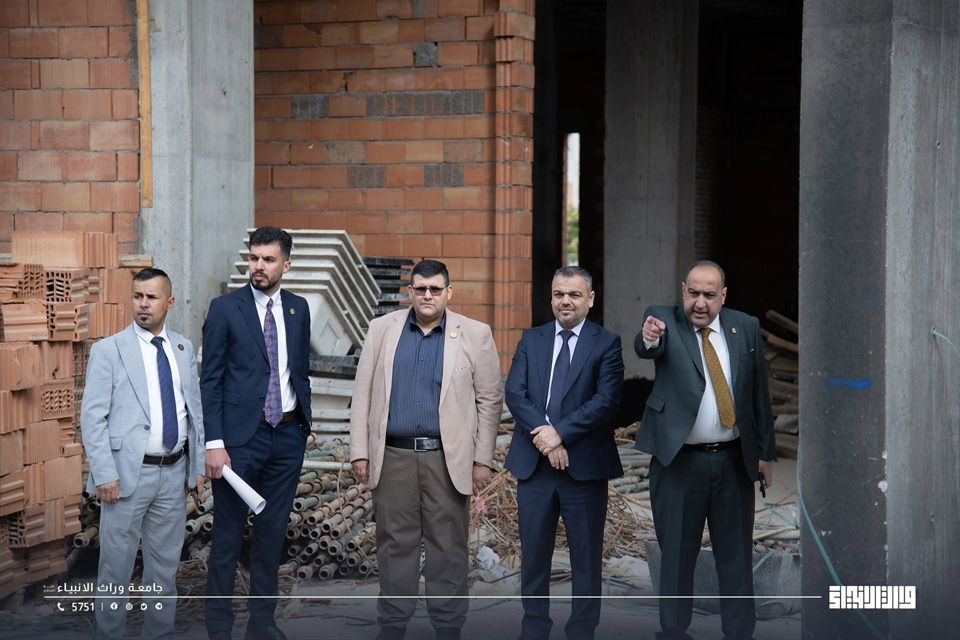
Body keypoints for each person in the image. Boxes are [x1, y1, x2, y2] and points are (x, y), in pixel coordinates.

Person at [350, 259, 503, 640]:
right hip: (393, 457)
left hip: (447, 459)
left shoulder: (475, 334)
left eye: (435, 289)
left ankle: (448, 627)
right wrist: (359, 452)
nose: (428, 295)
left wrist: (482, 459)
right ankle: (393, 626)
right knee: (394, 544)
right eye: (420, 289)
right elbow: (363, 393)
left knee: (448, 546)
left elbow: (490, 400)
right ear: (410, 292)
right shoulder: (382, 330)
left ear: (448, 292)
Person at [635, 260, 776, 640]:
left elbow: (758, 394)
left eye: (709, 295)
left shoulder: (745, 326)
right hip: (680, 464)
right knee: (677, 555)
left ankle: (739, 632)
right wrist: (649, 337)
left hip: (733, 461)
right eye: (693, 293)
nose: (700, 303)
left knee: (736, 554)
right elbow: (647, 346)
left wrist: (765, 453)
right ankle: (674, 631)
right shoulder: (663, 320)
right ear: (683, 290)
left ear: (723, 296)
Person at [201, 226, 312, 640]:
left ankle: (263, 624)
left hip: (287, 437)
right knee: (227, 537)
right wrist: (214, 443)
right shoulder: (225, 308)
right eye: (254, 258)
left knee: (271, 535)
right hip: (238, 441)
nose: (259, 266)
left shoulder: (298, 308)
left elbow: (299, 371)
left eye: (268, 259)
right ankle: (218, 628)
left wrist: (303, 426)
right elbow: (210, 380)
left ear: (287, 264)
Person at [81, 268, 205, 640]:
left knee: (164, 571)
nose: (143, 304)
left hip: (173, 473)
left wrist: (196, 467)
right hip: (125, 476)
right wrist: (104, 473)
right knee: (115, 570)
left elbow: (194, 412)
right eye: (138, 296)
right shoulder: (109, 350)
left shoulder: (182, 349)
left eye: (152, 297)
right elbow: (92, 417)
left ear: (170, 302)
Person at [504, 265, 624, 640]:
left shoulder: (606, 343)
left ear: (590, 299)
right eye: (559, 294)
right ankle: (534, 629)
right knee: (533, 557)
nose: (565, 301)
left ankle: (582, 631)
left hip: (584, 468)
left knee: (585, 559)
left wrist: (559, 434)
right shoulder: (532, 339)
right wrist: (546, 437)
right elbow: (515, 394)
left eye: (574, 294)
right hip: (534, 467)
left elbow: (606, 401)